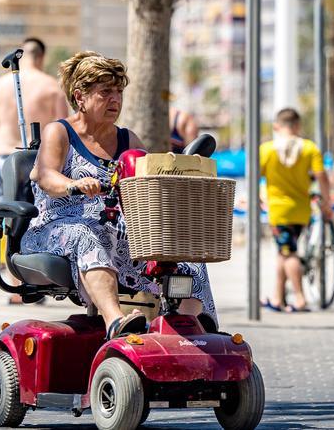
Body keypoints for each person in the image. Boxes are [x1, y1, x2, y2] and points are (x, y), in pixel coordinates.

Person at [23, 51, 216, 340]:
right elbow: (46, 175)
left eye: (118, 92)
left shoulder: (128, 140)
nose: (115, 100)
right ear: (80, 97)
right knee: (87, 233)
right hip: (57, 228)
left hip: (114, 228)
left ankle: (189, 329)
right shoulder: (59, 132)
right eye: (105, 93)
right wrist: (73, 185)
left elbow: (149, 182)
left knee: (183, 252)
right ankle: (116, 320)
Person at [0, 37, 69, 204]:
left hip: (4, 159)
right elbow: (64, 131)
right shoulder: (52, 87)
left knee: (6, 216)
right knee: (37, 215)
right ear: (41, 57)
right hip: (38, 160)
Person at [259, 108, 331, 313]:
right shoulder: (309, 148)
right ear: (298, 126)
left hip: (279, 211)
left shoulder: (267, 149)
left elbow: (254, 174)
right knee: (284, 251)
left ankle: (300, 298)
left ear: (276, 126)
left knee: (288, 252)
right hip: (301, 211)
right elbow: (322, 177)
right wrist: (327, 202)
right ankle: (277, 298)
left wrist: (256, 196)